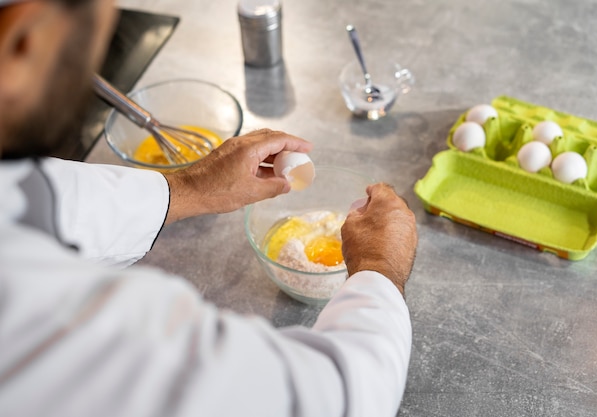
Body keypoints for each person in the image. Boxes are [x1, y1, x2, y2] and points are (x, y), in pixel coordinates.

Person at [0, 0, 418, 416]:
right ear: (25, 38)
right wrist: (379, 266)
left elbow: (30, 194)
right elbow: (335, 396)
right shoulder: (52, 318)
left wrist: (189, 188)